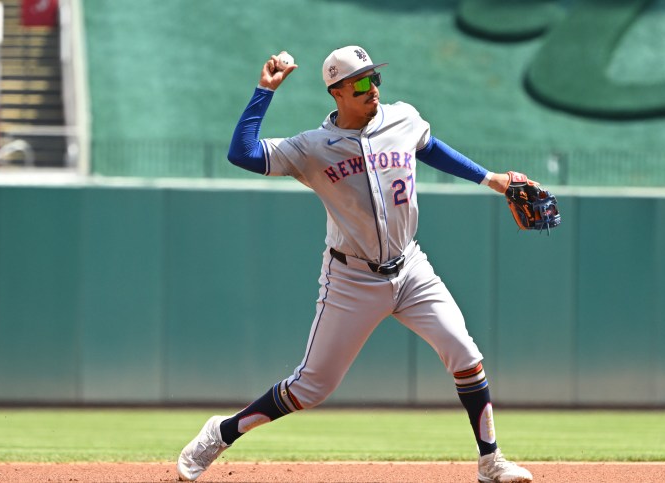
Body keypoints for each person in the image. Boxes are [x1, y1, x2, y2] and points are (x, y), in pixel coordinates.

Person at [177, 45, 535, 483]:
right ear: (338, 91)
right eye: (362, 83)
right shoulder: (311, 148)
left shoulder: (402, 118)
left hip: (411, 269)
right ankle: (221, 432)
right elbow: (243, 153)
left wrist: (491, 179)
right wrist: (263, 92)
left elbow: (431, 147)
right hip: (351, 279)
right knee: (310, 388)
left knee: (465, 353)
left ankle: (490, 462)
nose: (374, 90)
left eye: (375, 79)